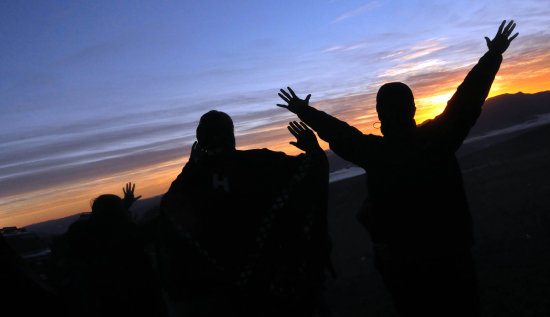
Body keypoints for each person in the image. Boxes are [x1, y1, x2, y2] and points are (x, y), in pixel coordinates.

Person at [276, 21, 518, 317]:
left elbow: (339, 133)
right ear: (413, 109)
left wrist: (304, 110)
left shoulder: (375, 152)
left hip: (402, 263)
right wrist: (492, 55)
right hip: (451, 255)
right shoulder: (440, 137)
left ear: (379, 113)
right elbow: (468, 98)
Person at [158, 110, 332, 317]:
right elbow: (311, 171)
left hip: (225, 296)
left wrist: (191, 167)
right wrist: (313, 149)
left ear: (199, 139)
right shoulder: (260, 162)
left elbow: (169, 214)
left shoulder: (189, 183)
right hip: (276, 284)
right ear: (231, 136)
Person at [51, 183, 166, 317]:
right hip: (138, 300)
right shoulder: (125, 235)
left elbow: (99, 223)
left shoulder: (83, 234)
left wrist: (123, 205)